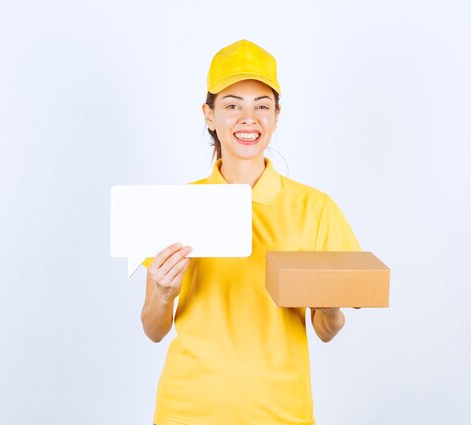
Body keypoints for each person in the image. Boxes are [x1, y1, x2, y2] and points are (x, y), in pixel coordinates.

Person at [141, 39, 361, 425]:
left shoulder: (315, 208)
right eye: (232, 106)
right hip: (188, 409)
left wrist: (329, 307)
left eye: (262, 106)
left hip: (281, 410)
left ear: (276, 116)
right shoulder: (178, 206)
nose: (249, 118)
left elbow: (328, 330)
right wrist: (162, 293)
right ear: (208, 115)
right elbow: (153, 328)